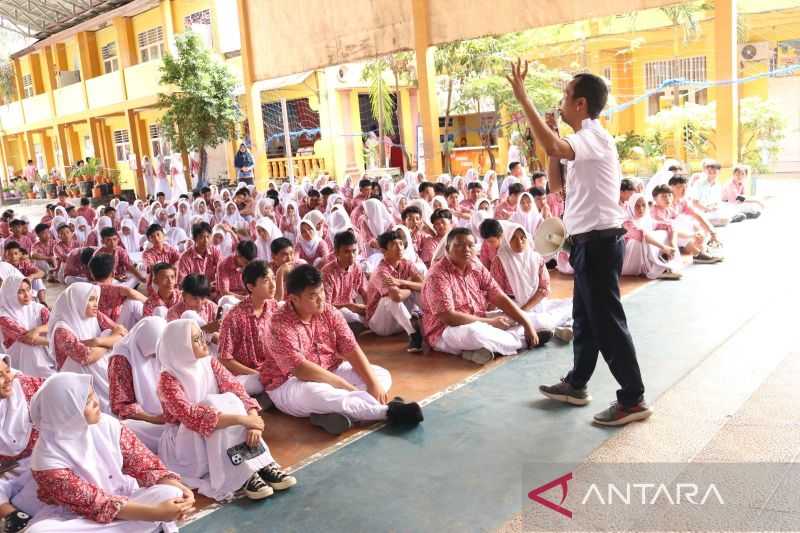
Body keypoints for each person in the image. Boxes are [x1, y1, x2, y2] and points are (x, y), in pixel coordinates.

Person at [507, 61, 650, 425]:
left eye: (567, 96)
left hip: (601, 244)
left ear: (582, 104)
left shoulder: (593, 137)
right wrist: (553, 138)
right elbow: (556, 184)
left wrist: (524, 100)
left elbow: (555, 145)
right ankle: (577, 383)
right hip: (588, 243)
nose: (562, 101)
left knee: (607, 323)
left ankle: (633, 399)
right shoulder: (582, 142)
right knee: (585, 320)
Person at [260, 264, 423, 435]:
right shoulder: (279, 324)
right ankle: (387, 412)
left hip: (330, 369)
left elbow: (350, 348)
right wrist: (345, 386)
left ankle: (336, 413)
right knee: (316, 393)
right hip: (288, 383)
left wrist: (372, 384)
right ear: (294, 298)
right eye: (313, 296)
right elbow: (301, 370)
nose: (321, 299)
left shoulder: (328, 311)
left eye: (322, 291)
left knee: (379, 375)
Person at [26, 372, 194, 532]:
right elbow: (96, 504)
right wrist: (156, 514)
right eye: (86, 402)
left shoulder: (107, 425)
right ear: (64, 411)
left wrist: (184, 491)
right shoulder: (46, 460)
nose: (96, 402)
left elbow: (143, 463)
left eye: (93, 395)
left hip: (128, 501)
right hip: (81, 519)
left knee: (171, 493)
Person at [156, 319, 296, 501]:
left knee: (230, 398)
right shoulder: (167, 379)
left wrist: (253, 421)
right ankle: (241, 475)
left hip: (217, 429)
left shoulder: (209, 363)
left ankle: (261, 463)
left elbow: (237, 390)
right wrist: (242, 420)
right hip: (187, 442)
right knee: (213, 403)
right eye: (196, 339)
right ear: (180, 346)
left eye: (202, 335)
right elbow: (191, 417)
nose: (204, 341)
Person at [420, 228, 541, 365]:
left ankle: (486, 349)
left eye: (470, 245)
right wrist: (491, 323)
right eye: (459, 245)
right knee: (475, 332)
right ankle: (523, 341)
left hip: (478, 317)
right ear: (447, 249)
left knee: (529, 317)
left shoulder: (476, 267)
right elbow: (449, 317)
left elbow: (498, 296)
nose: (466, 249)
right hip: (444, 331)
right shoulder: (437, 275)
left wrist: (526, 323)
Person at [48, 283, 127, 413]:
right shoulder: (62, 330)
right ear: (77, 301)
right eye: (90, 299)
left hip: (98, 365)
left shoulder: (94, 315)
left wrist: (97, 341)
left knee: (109, 336)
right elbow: (86, 356)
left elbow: (122, 332)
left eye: (96, 299)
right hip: (78, 376)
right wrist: (107, 343)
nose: (96, 304)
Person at [489, 223, 573, 339]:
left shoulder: (536, 258)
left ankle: (542, 329)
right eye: (513, 238)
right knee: (500, 323)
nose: (519, 242)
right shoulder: (500, 262)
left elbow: (544, 289)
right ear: (507, 240)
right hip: (511, 307)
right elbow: (497, 293)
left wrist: (524, 310)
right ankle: (553, 328)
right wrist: (517, 312)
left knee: (571, 305)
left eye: (522, 237)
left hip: (536, 305)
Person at [108, 317, 170, 453]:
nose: (156, 357)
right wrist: (154, 419)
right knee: (123, 430)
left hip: (166, 415)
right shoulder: (121, 358)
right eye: (153, 353)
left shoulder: (163, 349)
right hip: (141, 419)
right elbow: (120, 405)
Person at [217, 261, 279, 396]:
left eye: (273, 279)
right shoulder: (234, 316)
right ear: (251, 287)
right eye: (266, 281)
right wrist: (256, 373)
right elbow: (224, 358)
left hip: (269, 369)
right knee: (254, 384)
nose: (273, 285)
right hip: (247, 373)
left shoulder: (273, 306)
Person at [0, 356, 44, 533]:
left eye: (7, 371)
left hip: (41, 457)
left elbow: (59, 393)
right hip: (5, 472)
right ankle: (14, 517)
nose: (9, 378)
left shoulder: (28, 387)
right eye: (0, 376)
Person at [365, 230, 424, 352]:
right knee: (389, 299)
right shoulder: (381, 271)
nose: (399, 247)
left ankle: (435, 320)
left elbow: (424, 285)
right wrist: (410, 287)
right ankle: (414, 335)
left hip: (400, 322)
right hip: (381, 325)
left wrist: (403, 282)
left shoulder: (407, 264)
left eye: (401, 243)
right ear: (383, 250)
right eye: (393, 245)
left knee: (418, 289)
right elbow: (396, 297)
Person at [0, 276, 54, 378]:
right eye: (20, 292)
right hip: (19, 353)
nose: (27, 295)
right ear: (10, 294)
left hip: (42, 346)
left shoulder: (37, 308)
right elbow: (27, 338)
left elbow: (53, 323)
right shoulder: (3, 316)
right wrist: (52, 343)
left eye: (28, 289)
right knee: (27, 347)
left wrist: (37, 329)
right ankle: (40, 376)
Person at [622, 193, 683, 280]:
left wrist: (672, 243)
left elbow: (670, 226)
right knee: (639, 240)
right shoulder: (626, 222)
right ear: (631, 207)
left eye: (643, 205)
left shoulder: (646, 220)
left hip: (643, 257)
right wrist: (663, 247)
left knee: (663, 232)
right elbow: (640, 235)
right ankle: (655, 269)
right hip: (627, 262)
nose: (641, 209)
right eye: (637, 206)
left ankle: (660, 265)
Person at [321, 230, 368, 328]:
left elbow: (365, 292)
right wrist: (349, 306)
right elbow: (325, 306)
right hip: (334, 314)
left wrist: (369, 308)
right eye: (346, 252)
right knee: (345, 313)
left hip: (353, 311)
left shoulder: (357, 267)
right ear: (336, 253)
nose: (351, 256)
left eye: (354, 251)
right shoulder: (327, 272)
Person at [88, 254, 146, 329]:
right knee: (133, 303)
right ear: (113, 273)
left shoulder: (88, 287)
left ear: (92, 275)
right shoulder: (106, 288)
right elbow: (129, 292)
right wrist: (149, 301)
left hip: (101, 328)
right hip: (111, 330)